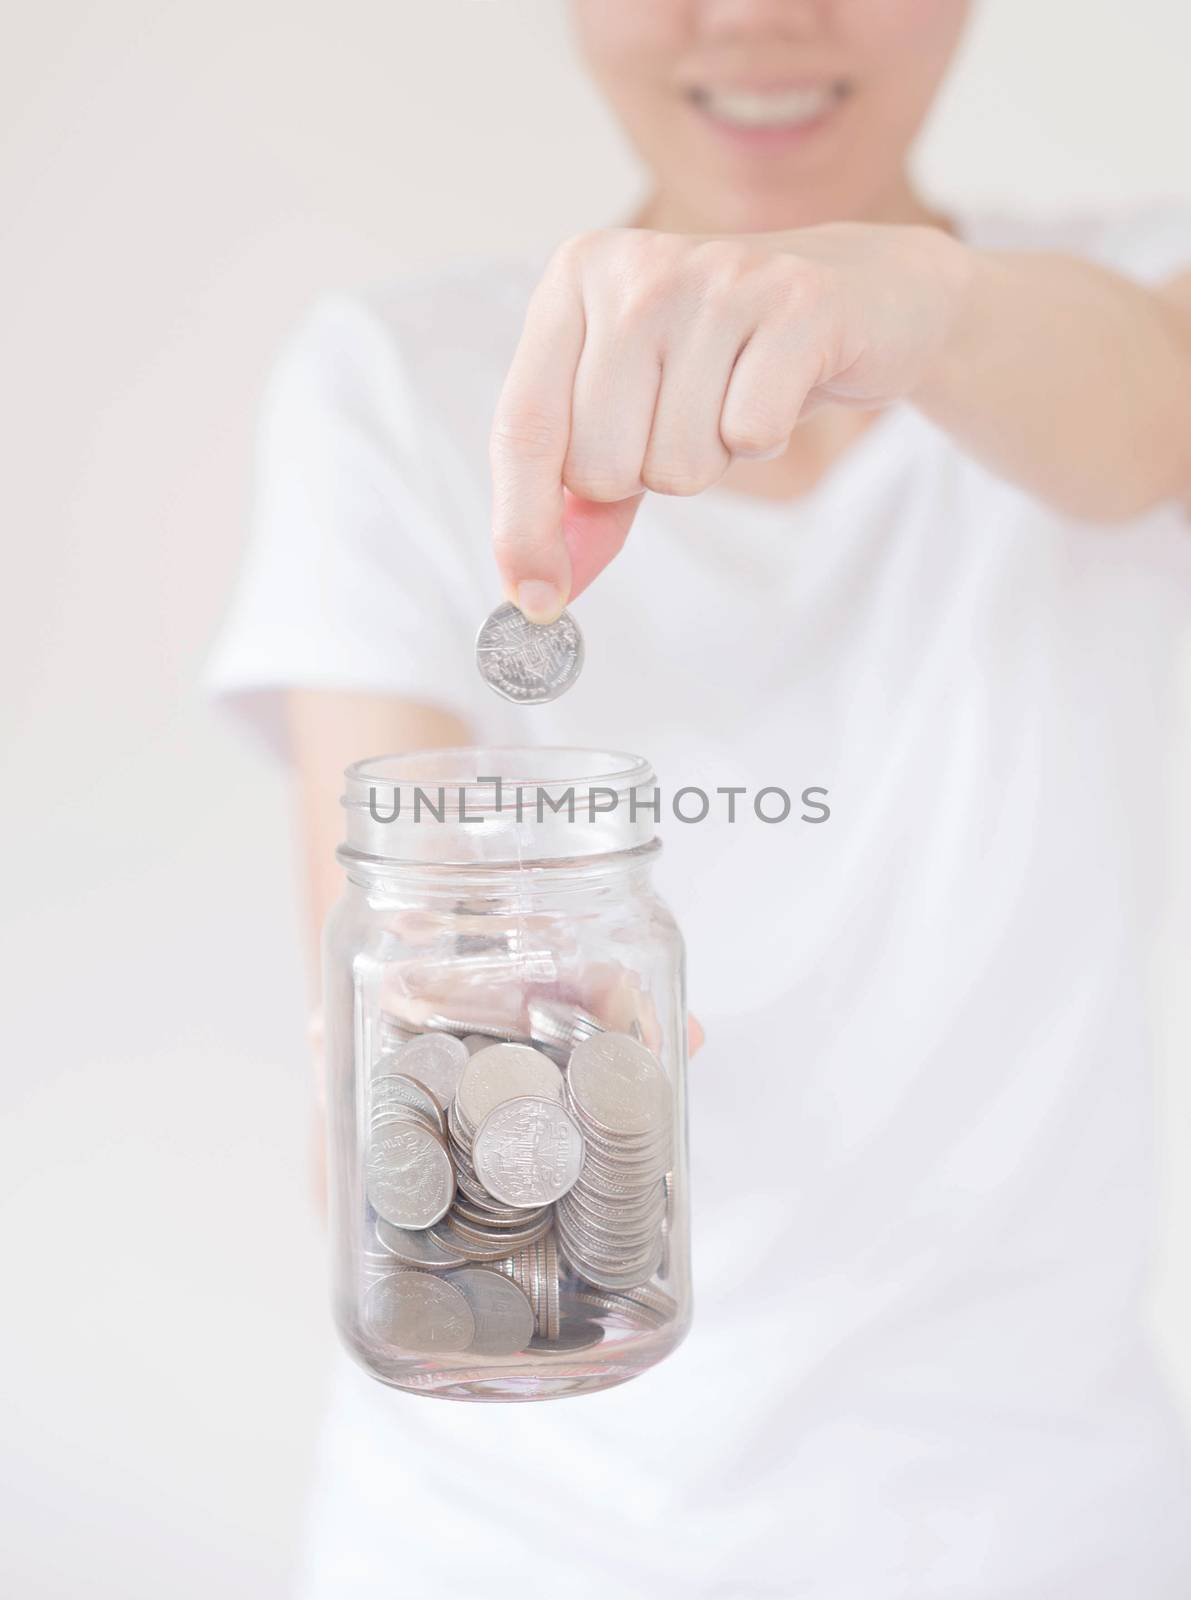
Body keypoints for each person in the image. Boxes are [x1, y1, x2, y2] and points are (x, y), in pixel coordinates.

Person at [208, 2, 1191, 1594]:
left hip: (1030, 1527)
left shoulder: (1141, 287)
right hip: (488, 1529)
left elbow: (1155, 407)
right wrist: (429, 1064)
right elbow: (377, 927)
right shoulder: (394, 375)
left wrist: (916, 305)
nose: (757, 14)